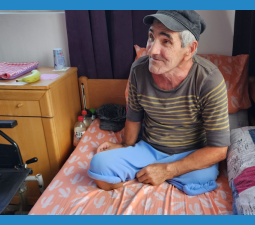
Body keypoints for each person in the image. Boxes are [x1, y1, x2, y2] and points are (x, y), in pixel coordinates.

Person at [87, 10, 229, 196]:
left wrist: (167, 170)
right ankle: (151, 172)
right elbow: (134, 117)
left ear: (190, 50)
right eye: (151, 37)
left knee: (202, 178)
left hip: (190, 153)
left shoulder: (208, 79)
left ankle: (156, 173)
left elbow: (219, 150)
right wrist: (124, 146)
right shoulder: (139, 70)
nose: (152, 50)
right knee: (99, 164)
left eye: (166, 41)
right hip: (149, 148)